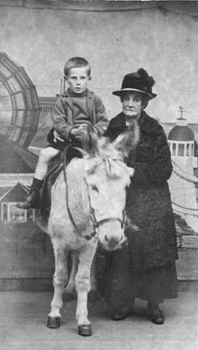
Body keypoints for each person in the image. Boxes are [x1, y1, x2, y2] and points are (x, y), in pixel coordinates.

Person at [100, 68, 178, 325]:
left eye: (136, 99)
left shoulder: (154, 129)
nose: (130, 103)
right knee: (123, 252)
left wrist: (133, 171)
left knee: (152, 251)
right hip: (122, 200)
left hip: (152, 201)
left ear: (144, 103)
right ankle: (124, 302)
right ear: (121, 101)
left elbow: (164, 169)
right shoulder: (113, 127)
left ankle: (154, 305)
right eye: (126, 99)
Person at [17, 57, 109, 209]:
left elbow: (104, 121)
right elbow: (59, 123)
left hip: (89, 141)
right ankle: (34, 194)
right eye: (74, 78)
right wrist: (72, 131)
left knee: (108, 161)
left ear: (89, 79)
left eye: (82, 78)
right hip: (68, 140)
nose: (78, 82)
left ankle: (109, 198)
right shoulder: (62, 101)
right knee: (45, 154)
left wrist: (93, 130)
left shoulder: (95, 100)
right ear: (67, 80)